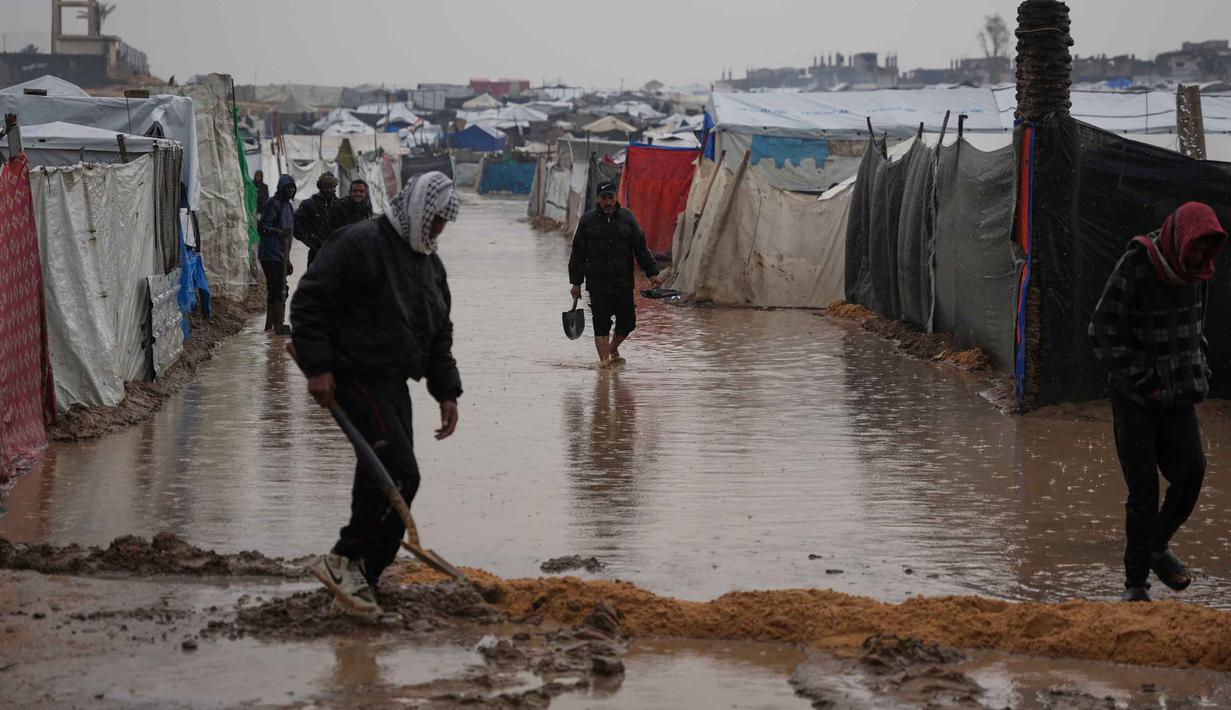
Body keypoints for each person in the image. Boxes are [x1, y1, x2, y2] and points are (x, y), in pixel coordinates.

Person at [291, 171, 462, 618]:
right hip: (352, 375)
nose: (439, 230)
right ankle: (342, 559)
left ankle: (363, 575)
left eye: (445, 223)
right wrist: (318, 366)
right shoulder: (361, 242)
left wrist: (446, 392)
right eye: (436, 221)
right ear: (418, 209)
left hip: (392, 380)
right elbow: (309, 301)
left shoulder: (429, 263)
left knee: (382, 475)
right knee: (399, 473)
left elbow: (439, 331)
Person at [1089, 202, 1228, 602]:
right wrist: (1145, 380)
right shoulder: (1137, 264)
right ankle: (1135, 585)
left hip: (1178, 394)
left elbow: (1195, 329)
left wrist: (1197, 371)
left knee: (1191, 474)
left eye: (1208, 249)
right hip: (1136, 396)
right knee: (1144, 490)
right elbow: (1100, 329)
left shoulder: (1199, 274)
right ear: (1177, 239)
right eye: (1196, 247)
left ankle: (1155, 547)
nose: (1201, 257)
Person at [568, 181, 663, 366]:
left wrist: (652, 273)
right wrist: (576, 283)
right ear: (598, 199)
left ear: (616, 197)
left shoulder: (628, 219)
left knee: (628, 323)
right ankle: (604, 366)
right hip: (597, 284)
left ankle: (612, 349)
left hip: (623, 283)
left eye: (611, 197)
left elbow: (640, 248)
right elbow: (577, 254)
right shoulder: (587, 221)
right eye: (604, 198)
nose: (608, 202)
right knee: (601, 324)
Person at [257, 174, 297, 332]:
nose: (290, 191)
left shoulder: (289, 207)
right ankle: (274, 326)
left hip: (281, 255)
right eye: (288, 188)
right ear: (281, 188)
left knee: (280, 290)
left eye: (293, 189)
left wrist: (287, 260)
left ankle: (273, 327)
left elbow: (290, 235)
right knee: (277, 289)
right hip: (270, 254)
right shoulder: (273, 204)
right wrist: (278, 232)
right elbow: (262, 228)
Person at [295, 172, 339, 265]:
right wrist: (311, 241)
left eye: (334, 187)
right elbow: (297, 226)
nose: (333, 190)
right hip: (316, 254)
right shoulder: (309, 204)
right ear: (322, 188)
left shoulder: (339, 205)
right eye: (329, 187)